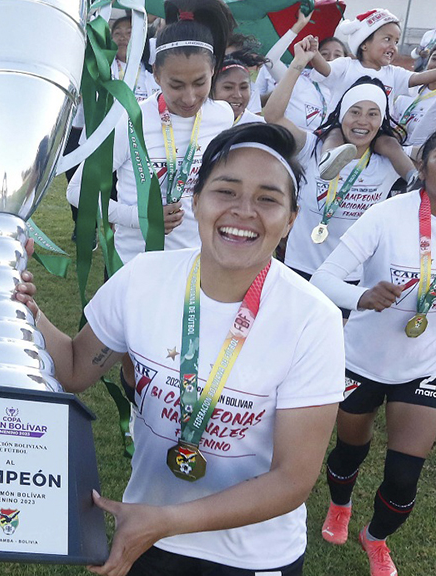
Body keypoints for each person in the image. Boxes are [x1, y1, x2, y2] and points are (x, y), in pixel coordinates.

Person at [19, 122, 344, 576]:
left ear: (290, 219)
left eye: (268, 199)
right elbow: (73, 368)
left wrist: (166, 521)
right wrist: (21, 302)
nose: (244, 210)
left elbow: (291, 480)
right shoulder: (144, 279)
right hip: (147, 535)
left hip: (250, 555)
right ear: (196, 201)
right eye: (225, 191)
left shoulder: (313, 318)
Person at [311, 93, 436, 576]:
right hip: (362, 358)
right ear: (422, 163)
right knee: (349, 451)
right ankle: (340, 504)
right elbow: (323, 279)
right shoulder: (386, 214)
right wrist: (361, 297)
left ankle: (375, 538)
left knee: (403, 477)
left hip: (427, 365)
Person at [65, 0, 238, 265]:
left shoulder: (223, 117)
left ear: (214, 70)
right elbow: (77, 192)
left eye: (199, 83)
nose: (190, 98)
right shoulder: (129, 119)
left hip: (195, 263)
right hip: (134, 263)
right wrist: (139, 217)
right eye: (176, 85)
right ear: (156, 74)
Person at [267, 38, 409, 297]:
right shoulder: (312, 147)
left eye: (372, 114)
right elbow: (273, 116)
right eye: (355, 112)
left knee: (335, 336)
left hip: (349, 274)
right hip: (298, 267)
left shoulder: (388, 160)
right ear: (341, 114)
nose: (362, 121)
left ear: (382, 120)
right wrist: (298, 64)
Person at [303, 8, 436, 184]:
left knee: (391, 145)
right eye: (387, 39)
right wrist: (315, 54)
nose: (393, 47)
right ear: (364, 44)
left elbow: (418, 78)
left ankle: (412, 177)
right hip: (341, 125)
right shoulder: (347, 65)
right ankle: (328, 160)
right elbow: (326, 69)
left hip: (375, 131)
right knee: (333, 136)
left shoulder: (393, 73)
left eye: (396, 41)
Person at [256, 11, 338, 131]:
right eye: (324, 54)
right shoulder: (300, 83)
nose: (331, 58)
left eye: (338, 54)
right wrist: (298, 26)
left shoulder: (345, 88)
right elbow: (271, 60)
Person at [111, 14, 161, 101]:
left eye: (129, 33)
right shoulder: (104, 69)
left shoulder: (151, 73)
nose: (122, 38)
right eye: (117, 33)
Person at [213, 48, 268, 125]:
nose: (237, 95)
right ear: (212, 89)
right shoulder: (198, 121)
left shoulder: (259, 126)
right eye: (228, 87)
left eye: (243, 87)